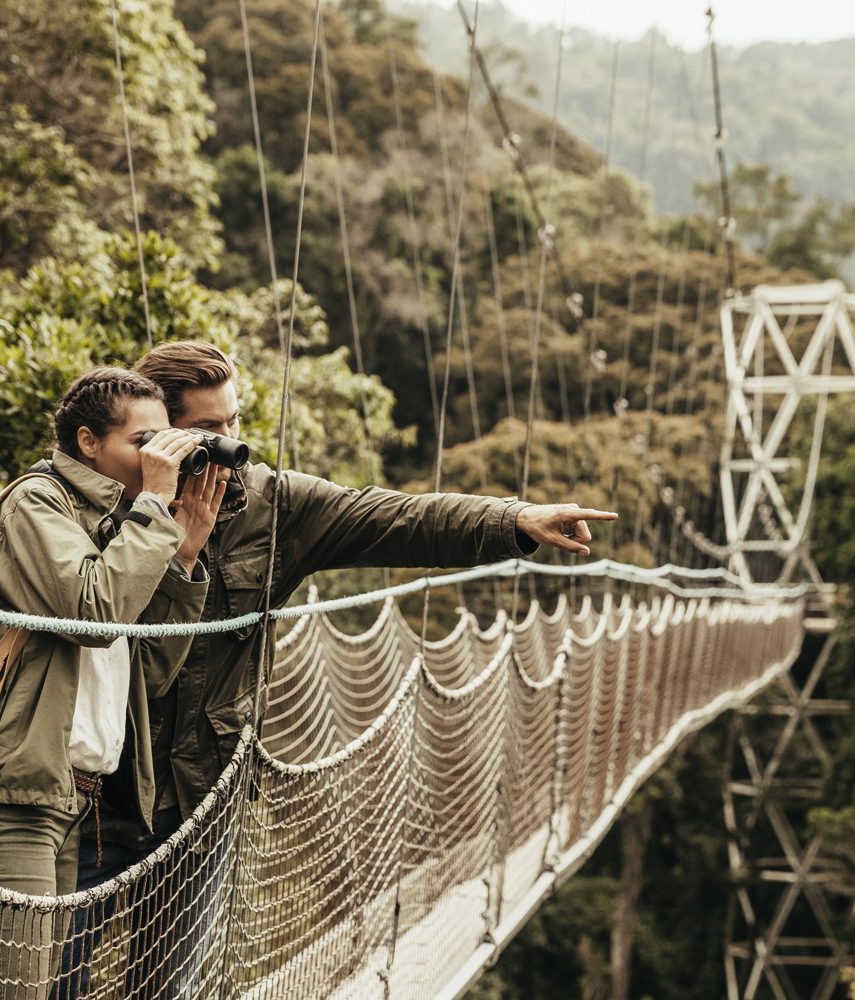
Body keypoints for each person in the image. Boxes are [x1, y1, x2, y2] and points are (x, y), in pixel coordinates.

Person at [68, 340, 616, 995]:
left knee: (166, 991)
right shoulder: (93, 506)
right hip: (98, 800)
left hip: (202, 799)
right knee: (52, 983)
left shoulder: (271, 507)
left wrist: (516, 521)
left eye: (234, 423)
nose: (227, 444)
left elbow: (395, 517)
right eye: (206, 431)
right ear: (157, 432)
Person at [0, 366, 224, 999]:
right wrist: (154, 510)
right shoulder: (35, 504)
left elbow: (147, 669)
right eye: (141, 443)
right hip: (8, 795)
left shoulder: (116, 524)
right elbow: (91, 613)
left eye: (164, 441)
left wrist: (185, 559)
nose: (156, 460)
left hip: (72, 800)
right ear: (88, 442)